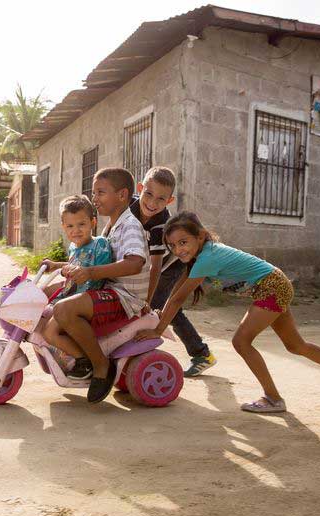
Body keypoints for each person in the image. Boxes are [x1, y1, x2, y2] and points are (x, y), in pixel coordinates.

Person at [135, 211, 320, 413]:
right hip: (274, 284)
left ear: (201, 236)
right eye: (173, 246)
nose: (178, 249)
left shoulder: (207, 257)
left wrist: (157, 331)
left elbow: (176, 300)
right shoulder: (200, 257)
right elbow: (174, 296)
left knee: (241, 342)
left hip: (272, 286)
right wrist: (158, 321)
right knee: (296, 345)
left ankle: (273, 398)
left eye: (183, 242)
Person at [47, 167, 150, 403]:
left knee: (63, 309)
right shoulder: (110, 227)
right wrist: (58, 265)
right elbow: (88, 260)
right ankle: (79, 357)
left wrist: (90, 272)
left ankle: (101, 365)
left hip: (123, 296)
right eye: (94, 193)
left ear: (122, 195)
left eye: (101, 192)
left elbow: (135, 263)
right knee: (50, 302)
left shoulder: (130, 226)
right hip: (108, 290)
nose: (95, 199)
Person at [130, 166, 216, 377]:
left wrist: (146, 301)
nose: (152, 203)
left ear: (169, 201)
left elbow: (156, 267)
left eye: (160, 199)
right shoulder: (129, 207)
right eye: (148, 194)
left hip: (171, 265)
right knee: (165, 307)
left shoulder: (161, 225)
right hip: (149, 263)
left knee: (162, 307)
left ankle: (201, 353)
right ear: (140, 188)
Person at [40, 195, 113, 373]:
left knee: (49, 333)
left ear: (92, 222)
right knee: (41, 306)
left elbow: (101, 271)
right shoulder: (74, 248)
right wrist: (56, 265)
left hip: (87, 300)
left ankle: (84, 359)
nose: (76, 230)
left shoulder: (100, 244)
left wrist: (85, 274)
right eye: (70, 226)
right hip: (70, 297)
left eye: (81, 224)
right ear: (64, 227)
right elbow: (74, 265)